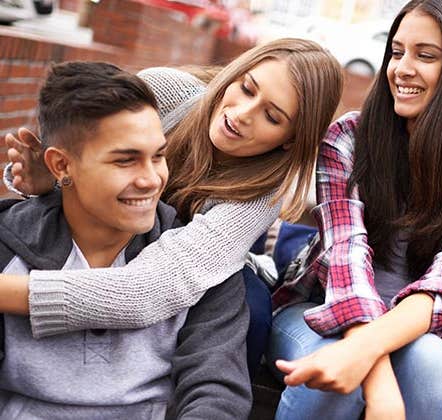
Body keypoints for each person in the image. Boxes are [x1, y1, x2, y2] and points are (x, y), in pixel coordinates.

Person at [0, 38, 343, 378]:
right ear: (236, 73)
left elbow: (145, 290)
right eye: (247, 89)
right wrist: (49, 182)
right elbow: (74, 155)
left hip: (180, 264)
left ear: (291, 139)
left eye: (271, 116)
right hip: (110, 232)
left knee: (250, 308)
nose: (241, 115)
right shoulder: (164, 92)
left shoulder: (261, 195)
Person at [266, 1, 442, 419]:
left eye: (425, 56)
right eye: (397, 52)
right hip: (318, 310)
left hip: (414, 332)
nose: (402, 69)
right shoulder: (346, 138)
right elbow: (346, 261)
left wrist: (367, 350)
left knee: (431, 364)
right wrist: (380, 387)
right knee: (337, 379)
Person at [0, 61, 251, 418]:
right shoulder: (7, 245)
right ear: (60, 166)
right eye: (125, 161)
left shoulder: (200, 262)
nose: (151, 180)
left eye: (158, 156)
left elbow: (216, 392)